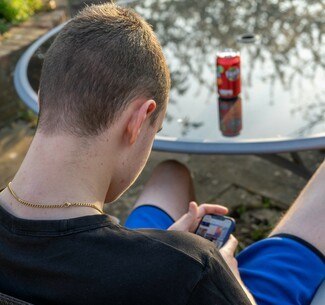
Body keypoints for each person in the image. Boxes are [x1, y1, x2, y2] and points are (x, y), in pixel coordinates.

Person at [0, 3, 323, 305]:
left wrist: (157, 248)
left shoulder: (176, 261)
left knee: (171, 174)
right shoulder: (193, 268)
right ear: (138, 120)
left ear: (43, 100)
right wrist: (227, 280)